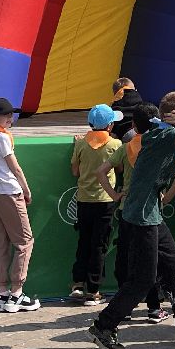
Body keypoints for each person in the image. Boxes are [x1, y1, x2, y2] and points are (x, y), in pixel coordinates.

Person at [89, 92, 175, 349]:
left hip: (150, 214)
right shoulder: (163, 136)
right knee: (142, 279)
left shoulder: (157, 136)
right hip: (142, 218)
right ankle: (104, 326)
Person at [103, 103, 167, 322]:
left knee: (126, 260)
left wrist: (114, 194)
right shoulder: (157, 147)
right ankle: (154, 308)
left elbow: (100, 172)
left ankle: (125, 307)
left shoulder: (126, 146)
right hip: (150, 211)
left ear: (132, 125)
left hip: (126, 209)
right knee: (151, 261)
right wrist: (164, 197)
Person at [0, 98, 39, 313]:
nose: (10, 118)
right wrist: (26, 189)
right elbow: (16, 168)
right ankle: (16, 294)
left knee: (1, 242)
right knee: (24, 242)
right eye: (6, 115)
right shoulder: (0, 138)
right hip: (9, 193)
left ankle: (3, 293)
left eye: (10, 114)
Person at [68, 104, 126, 305]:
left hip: (83, 200)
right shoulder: (115, 144)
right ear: (110, 126)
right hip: (106, 201)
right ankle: (93, 290)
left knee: (83, 242)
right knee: (99, 246)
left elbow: (75, 171)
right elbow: (119, 168)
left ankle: (77, 284)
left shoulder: (81, 143)